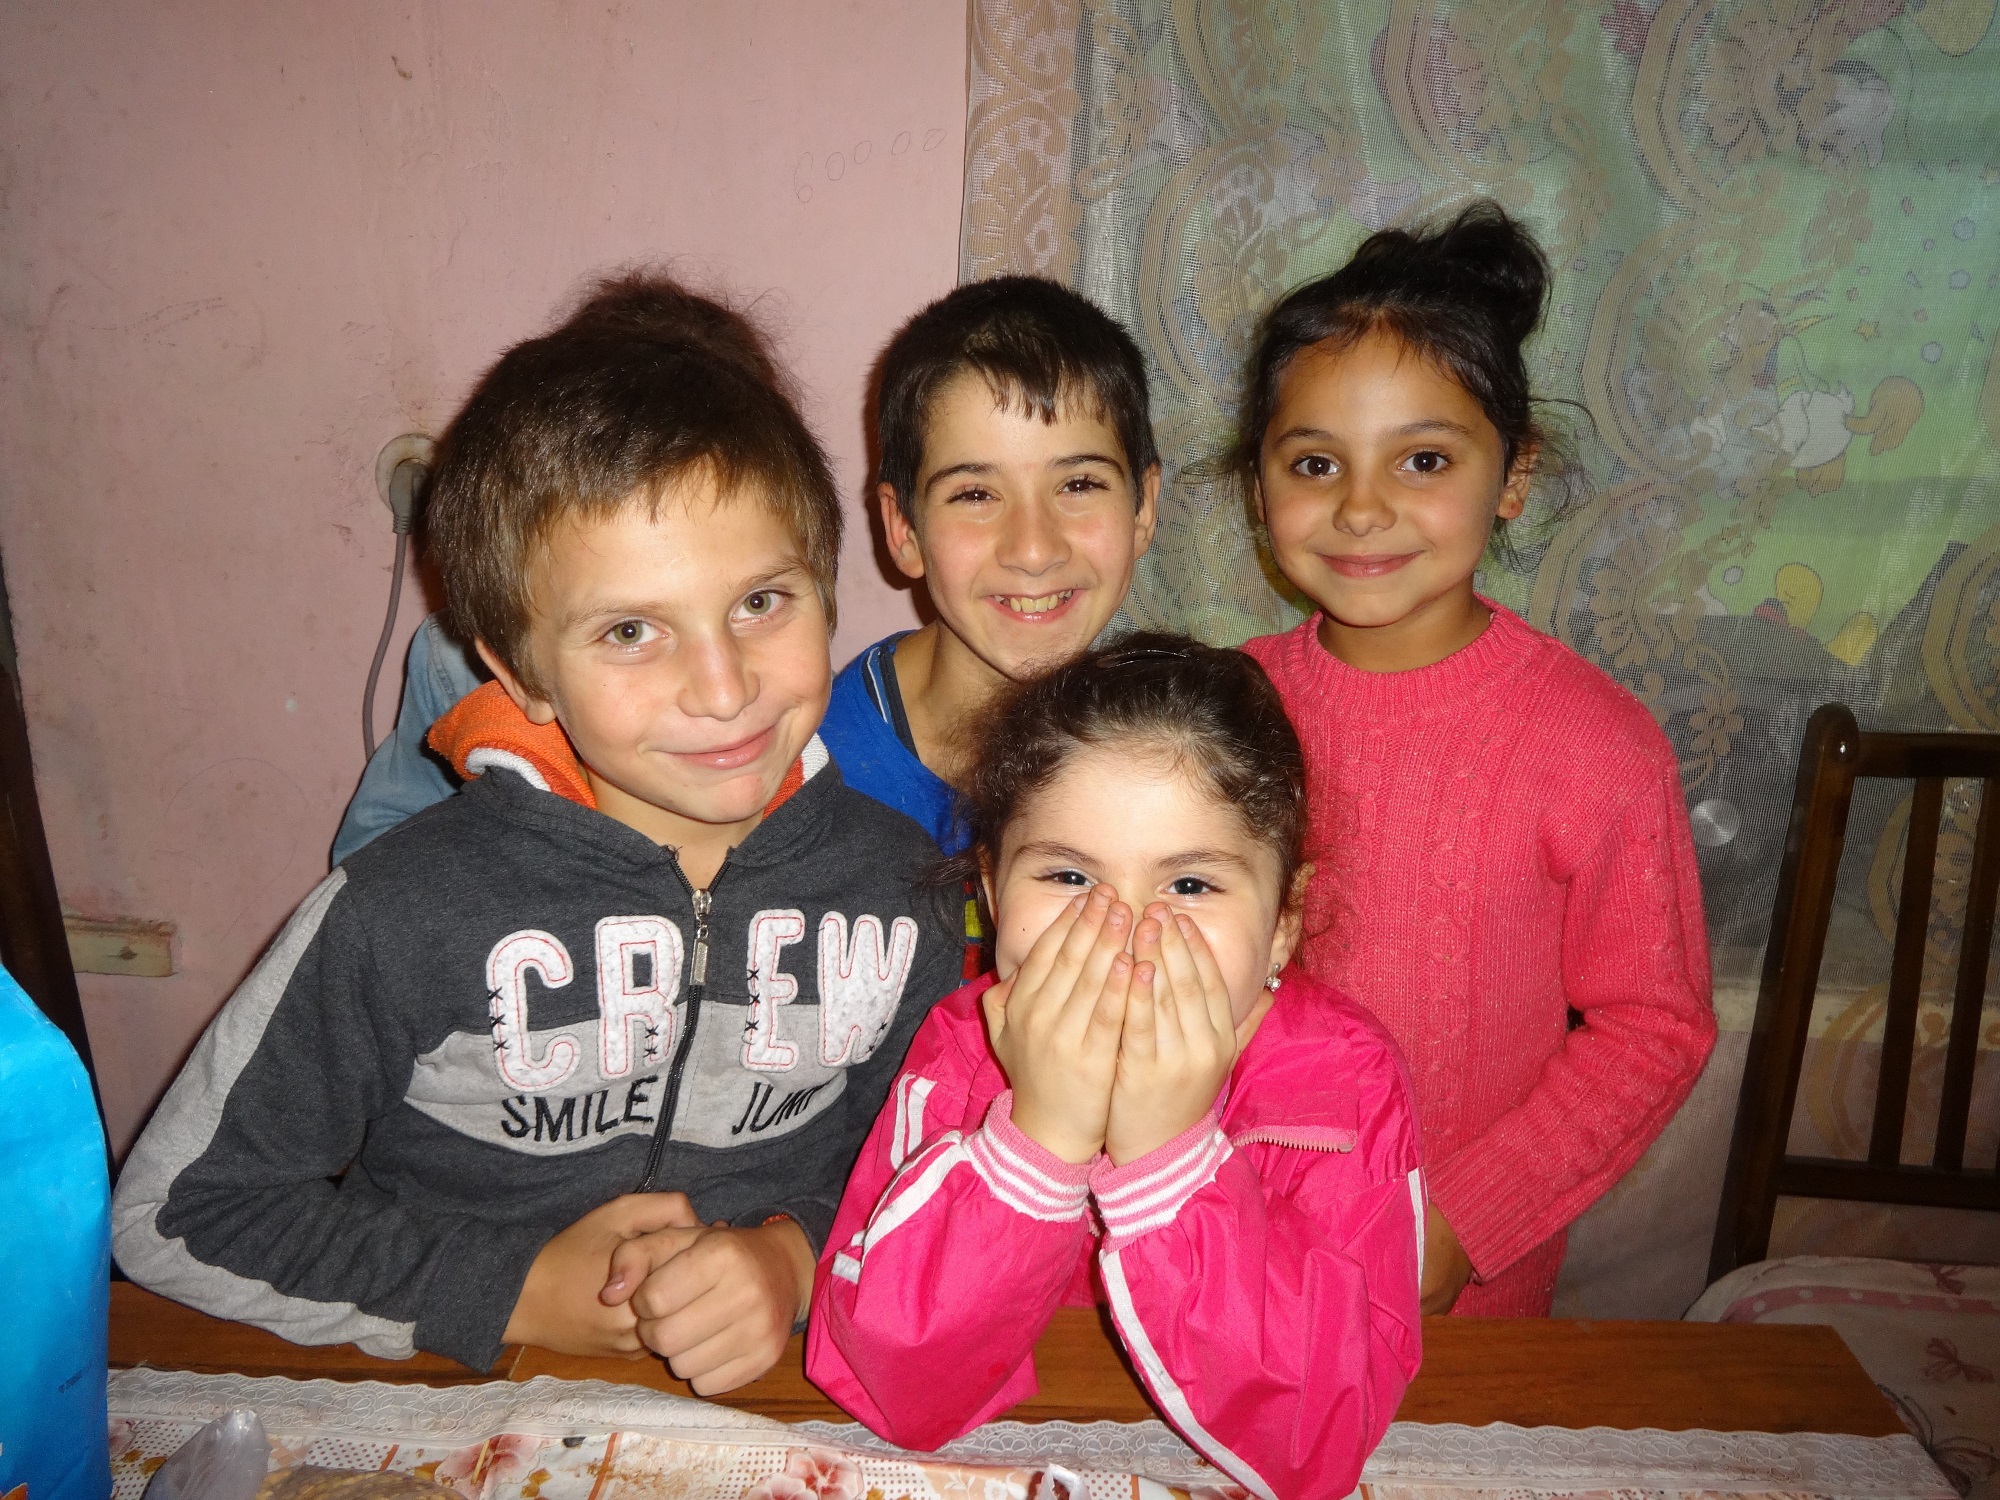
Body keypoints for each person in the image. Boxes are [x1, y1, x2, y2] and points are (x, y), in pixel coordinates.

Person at [111, 276, 965, 1390]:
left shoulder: (903, 885)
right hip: (446, 1399)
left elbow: (924, 1167)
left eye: (762, 601)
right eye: (628, 630)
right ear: (519, 672)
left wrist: (793, 1258)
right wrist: (509, 1287)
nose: (722, 687)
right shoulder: (399, 910)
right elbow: (177, 1216)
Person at [801, 636, 1423, 1500]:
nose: (1127, 934)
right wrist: (1038, 1142)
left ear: (1284, 920)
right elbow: (884, 1382)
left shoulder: (1339, 1080)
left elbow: (1324, 1433)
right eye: (1067, 875)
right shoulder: (964, 1048)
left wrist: (1169, 1157)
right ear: (989, 891)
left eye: (1193, 886)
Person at [1236, 202, 1716, 1318]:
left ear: (1510, 476)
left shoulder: (1593, 745)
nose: (1361, 508)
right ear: (1257, 488)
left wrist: (1460, 1222)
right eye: (1314, 462)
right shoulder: (1220, 709)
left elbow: (1655, 1026)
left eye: (1421, 460)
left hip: (1447, 1297)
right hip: (1215, 1251)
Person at [818, 276, 1160, 851]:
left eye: (1078, 484)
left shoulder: (1166, 765)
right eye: (975, 494)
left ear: (1143, 509)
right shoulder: (809, 774)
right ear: (903, 529)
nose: (1033, 549)